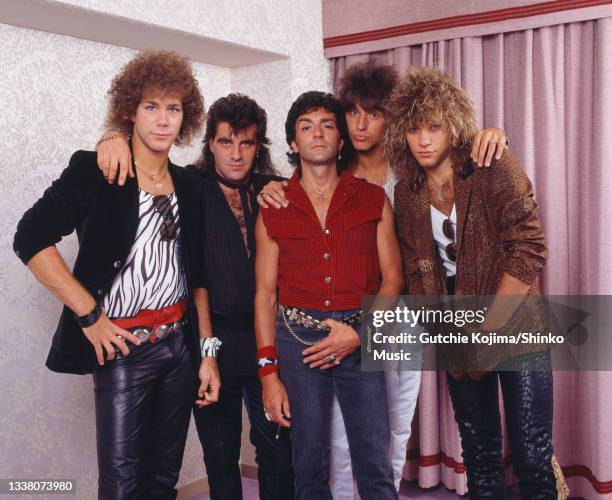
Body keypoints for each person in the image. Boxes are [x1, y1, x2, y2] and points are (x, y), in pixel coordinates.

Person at [256, 60, 509, 496]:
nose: (360, 123)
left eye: (373, 113)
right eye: (352, 112)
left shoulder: (412, 162)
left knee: (390, 426)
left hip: (402, 313)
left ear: (394, 119)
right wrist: (272, 186)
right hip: (331, 315)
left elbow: (460, 156)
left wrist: (497, 135)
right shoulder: (328, 174)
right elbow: (274, 271)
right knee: (331, 434)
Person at [13, 50, 210, 500]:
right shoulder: (98, 170)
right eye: (151, 107)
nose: (163, 120)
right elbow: (29, 237)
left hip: (180, 347)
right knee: (121, 485)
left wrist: (206, 350)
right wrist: (90, 317)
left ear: (186, 117)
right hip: (124, 348)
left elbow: (200, 270)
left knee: (164, 478)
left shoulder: (192, 187)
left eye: (173, 108)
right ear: (130, 111)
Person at [95, 94, 294, 500]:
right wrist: (112, 134)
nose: (236, 154)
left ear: (260, 147)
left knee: (277, 449)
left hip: (266, 339)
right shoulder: (186, 187)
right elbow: (143, 176)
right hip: (209, 340)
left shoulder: (275, 191)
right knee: (219, 454)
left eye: (247, 143)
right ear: (209, 144)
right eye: (225, 142)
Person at [386, 66, 567, 499]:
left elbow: (528, 249)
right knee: (480, 459)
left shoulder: (489, 163)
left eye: (434, 125)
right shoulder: (407, 192)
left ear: (454, 125)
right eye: (413, 128)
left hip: (516, 326)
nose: (424, 139)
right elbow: (415, 270)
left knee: (531, 456)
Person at [255, 90, 403, 499]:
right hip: (296, 338)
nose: (317, 134)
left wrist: (360, 333)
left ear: (341, 140)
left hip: (361, 334)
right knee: (308, 460)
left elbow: (392, 281)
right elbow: (265, 294)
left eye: (327, 125)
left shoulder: (373, 198)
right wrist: (268, 373)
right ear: (292, 143)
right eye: (306, 127)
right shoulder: (272, 206)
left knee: (374, 456)